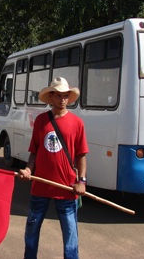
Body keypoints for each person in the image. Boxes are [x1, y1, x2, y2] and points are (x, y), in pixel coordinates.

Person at [18, 77, 88, 259]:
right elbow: (34, 151)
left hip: (67, 188)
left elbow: (81, 155)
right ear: (51, 97)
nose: (62, 99)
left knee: (70, 234)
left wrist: (81, 181)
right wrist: (28, 170)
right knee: (32, 230)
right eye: (58, 95)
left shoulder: (77, 123)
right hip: (40, 186)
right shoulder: (41, 121)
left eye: (66, 96)